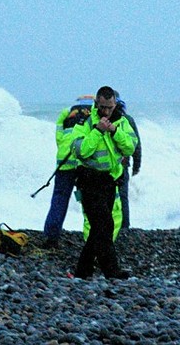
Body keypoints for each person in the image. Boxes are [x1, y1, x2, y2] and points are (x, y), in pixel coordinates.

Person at [70, 86, 138, 279]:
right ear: (96, 104)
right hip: (88, 180)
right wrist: (98, 131)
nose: (106, 111)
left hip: (110, 181)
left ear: (115, 104)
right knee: (104, 225)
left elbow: (130, 147)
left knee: (99, 229)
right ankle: (111, 271)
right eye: (102, 107)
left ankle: (82, 271)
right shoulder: (85, 122)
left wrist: (114, 131)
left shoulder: (122, 122)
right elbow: (81, 150)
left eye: (109, 107)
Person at [41, 95, 93, 248]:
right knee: (89, 201)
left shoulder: (66, 114)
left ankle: (51, 237)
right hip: (84, 163)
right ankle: (90, 238)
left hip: (64, 163)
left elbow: (59, 138)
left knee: (59, 199)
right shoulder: (94, 115)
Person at [116, 96, 142, 230]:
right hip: (123, 165)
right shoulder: (128, 119)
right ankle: (125, 227)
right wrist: (137, 165)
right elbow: (136, 144)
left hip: (105, 166)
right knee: (122, 196)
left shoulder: (103, 118)